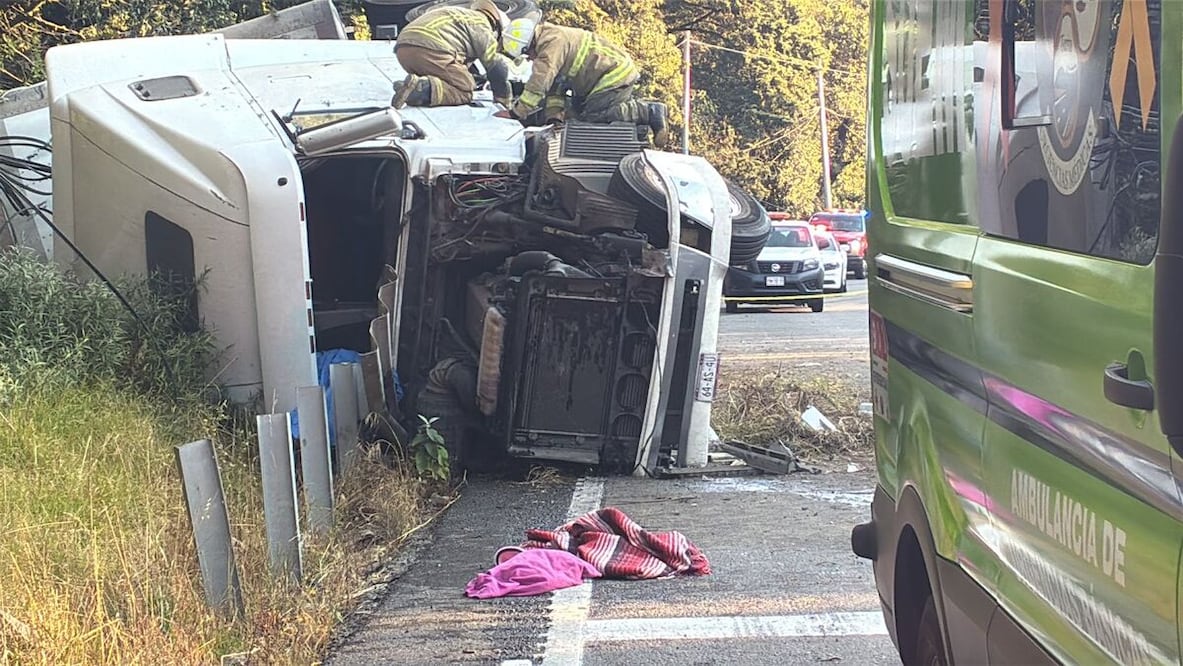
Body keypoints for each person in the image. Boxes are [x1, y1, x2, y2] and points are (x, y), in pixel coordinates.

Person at [500, 19, 669, 148]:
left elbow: (538, 83)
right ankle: (638, 128)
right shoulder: (552, 39)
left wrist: (516, 113)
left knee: (593, 116)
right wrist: (554, 121)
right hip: (599, 78)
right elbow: (554, 91)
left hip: (613, 74)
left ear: (530, 44)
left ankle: (648, 111)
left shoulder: (551, 44)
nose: (530, 58)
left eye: (527, 54)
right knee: (577, 117)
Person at [391, 0, 513, 108]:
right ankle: (420, 89)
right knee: (464, 89)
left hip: (403, 50)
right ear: (497, 28)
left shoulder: (461, 17)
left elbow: (461, 62)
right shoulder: (482, 25)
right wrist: (503, 100)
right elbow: (496, 66)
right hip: (431, 48)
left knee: (447, 83)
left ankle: (411, 88)